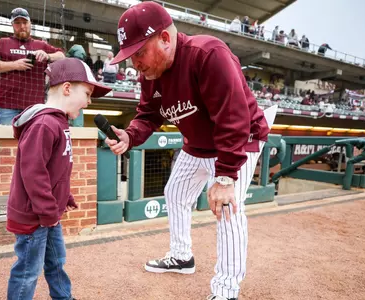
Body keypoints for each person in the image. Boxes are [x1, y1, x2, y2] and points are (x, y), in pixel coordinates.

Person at [106, 2, 275, 300]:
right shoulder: (152, 74)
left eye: (139, 53)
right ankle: (182, 256)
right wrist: (130, 135)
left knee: (227, 210)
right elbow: (148, 114)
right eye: (131, 56)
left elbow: (234, 118)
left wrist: (225, 177)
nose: (135, 64)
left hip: (240, 139)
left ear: (165, 39)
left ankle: (225, 291)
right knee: (176, 193)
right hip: (197, 144)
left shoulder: (208, 55)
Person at [6, 58, 112, 300]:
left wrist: (64, 195)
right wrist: (48, 211)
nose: (88, 101)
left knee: (56, 262)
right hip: (35, 217)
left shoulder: (58, 121)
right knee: (27, 271)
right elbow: (33, 173)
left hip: (48, 213)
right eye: (87, 93)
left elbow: (55, 170)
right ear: (66, 88)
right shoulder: (44, 123)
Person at [0, 7, 65, 125]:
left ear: (30, 23)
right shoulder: (3, 42)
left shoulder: (41, 45)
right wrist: (15, 65)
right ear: (12, 25)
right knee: (7, 141)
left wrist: (47, 56)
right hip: (7, 105)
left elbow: (62, 56)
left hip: (34, 105)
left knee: (32, 141)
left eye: (25, 22)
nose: (22, 26)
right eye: (17, 23)